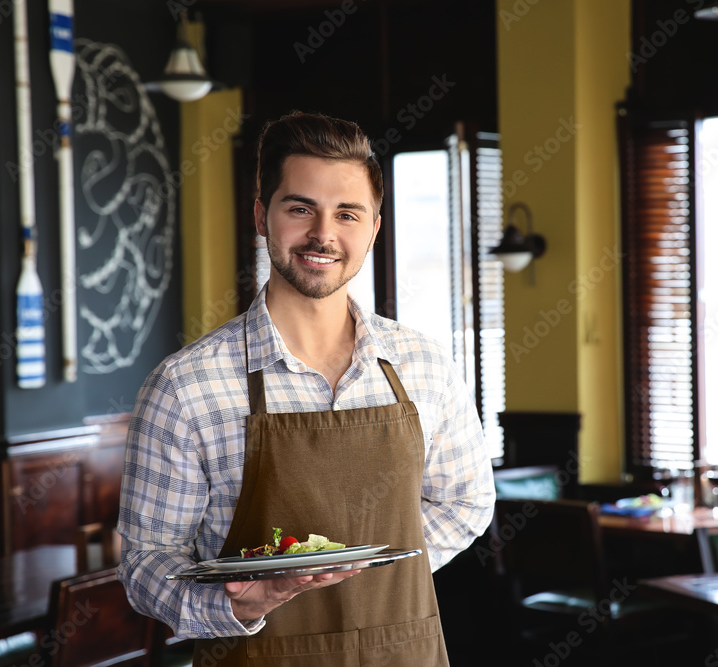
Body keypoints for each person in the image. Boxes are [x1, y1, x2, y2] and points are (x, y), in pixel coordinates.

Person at [117, 110, 496, 666]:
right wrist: (242, 606)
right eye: (300, 209)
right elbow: (147, 564)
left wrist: (366, 570)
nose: (324, 234)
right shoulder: (185, 387)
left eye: (347, 214)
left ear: (373, 228)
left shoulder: (425, 365)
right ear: (261, 216)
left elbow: (466, 501)